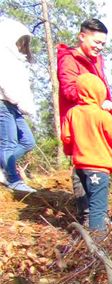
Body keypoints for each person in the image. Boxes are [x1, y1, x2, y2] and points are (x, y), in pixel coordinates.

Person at [57, 18, 112, 223]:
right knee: (83, 166)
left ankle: (98, 213)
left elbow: (103, 86)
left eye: (103, 44)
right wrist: (95, 103)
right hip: (80, 123)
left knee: (99, 167)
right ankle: (88, 216)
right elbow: (69, 89)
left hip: (98, 119)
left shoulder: (96, 60)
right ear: (82, 36)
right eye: (96, 42)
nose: (99, 47)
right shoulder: (69, 59)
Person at [61, 73, 112, 231]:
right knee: (98, 208)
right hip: (98, 169)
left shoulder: (72, 113)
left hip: (79, 168)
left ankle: (86, 237)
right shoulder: (102, 115)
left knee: (87, 206)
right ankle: (98, 246)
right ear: (99, 93)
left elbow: (67, 139)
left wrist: (75, 152)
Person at [0, 18, 37, 193]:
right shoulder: (3, 55)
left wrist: (27, 106)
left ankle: (4, 167)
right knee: (8, 143)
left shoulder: (15, 58)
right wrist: (17, 100)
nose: (23, 44)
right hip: (3, 102)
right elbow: (6, 83)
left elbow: (21, 85)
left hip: (13, 106)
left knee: (28, 141)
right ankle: (13, 180)